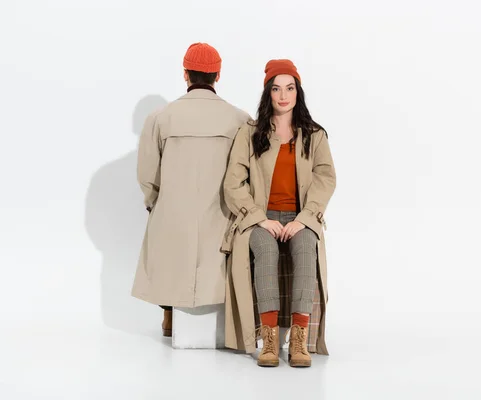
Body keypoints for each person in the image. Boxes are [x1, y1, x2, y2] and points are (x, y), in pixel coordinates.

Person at [221, 59, 336, 367]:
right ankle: (269, 339)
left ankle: (298, 340)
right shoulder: (251, 133)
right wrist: (259, 217)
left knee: (305, 246)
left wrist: (305, 218)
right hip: (262, 215)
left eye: (289, 88)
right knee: (265, 250)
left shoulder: (315, 135)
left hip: (302, 217)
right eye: (276, 89)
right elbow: (233, 183)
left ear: (298, 91)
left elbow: (326, 179)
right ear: (267, 93)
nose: (283, 95)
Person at [131, 43, 251, 337]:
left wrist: (155, 202)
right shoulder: (240, 119)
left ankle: (169, 311)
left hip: (174, 217)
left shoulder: (160, 118)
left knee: (166, 238)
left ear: (185, 74)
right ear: (218, 76)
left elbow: (147, 176)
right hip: (222, 218)